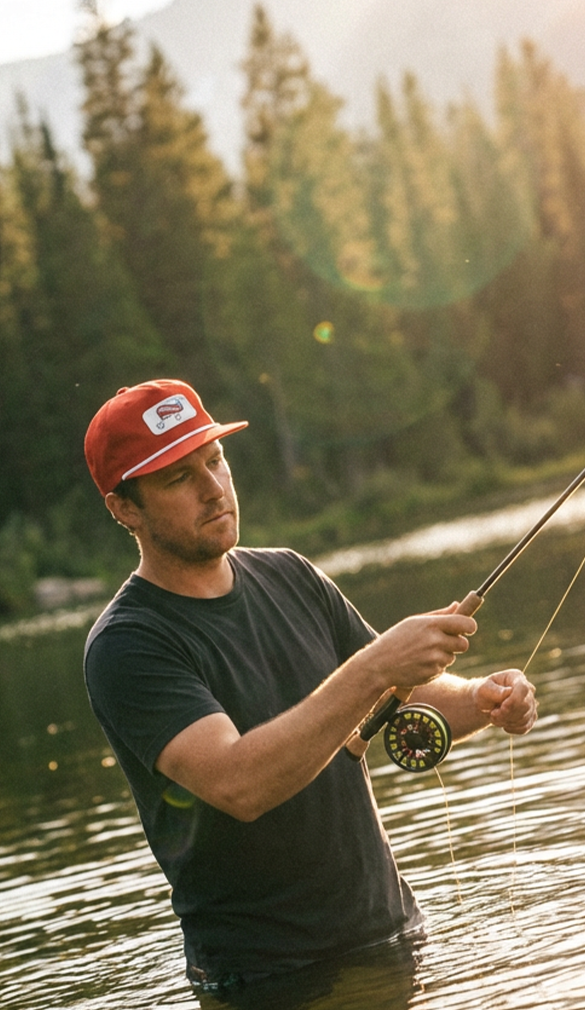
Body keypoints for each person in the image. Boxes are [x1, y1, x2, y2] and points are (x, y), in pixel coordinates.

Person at [82, 379, 537, 997]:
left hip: (393, 941)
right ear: (124, 508)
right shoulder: (128, 645)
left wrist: (483, 698)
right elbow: (239, 783)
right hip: (271, 980)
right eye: (177, 477)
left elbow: (399, 700)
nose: (213, 488)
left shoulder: (289, 574)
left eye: (214, 460)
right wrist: (378, 665)